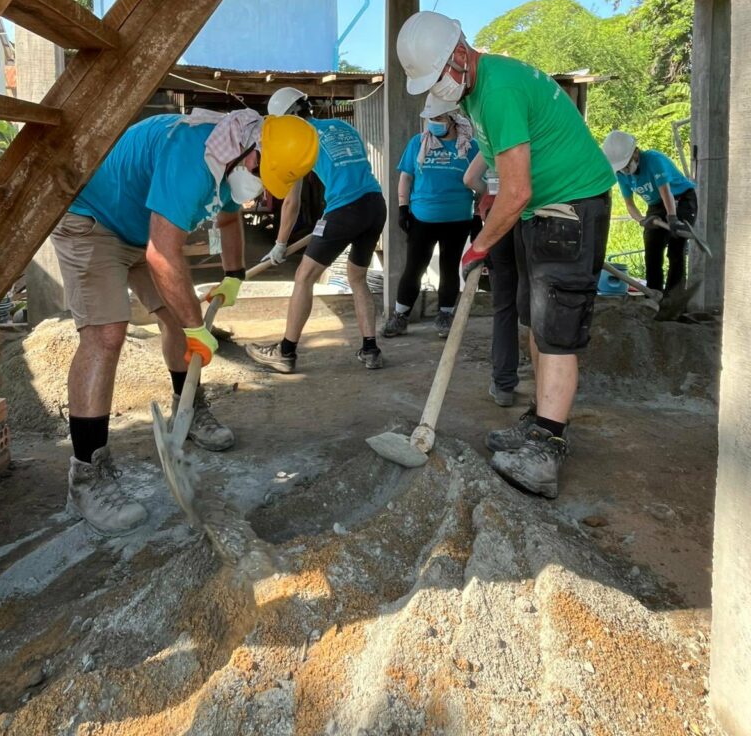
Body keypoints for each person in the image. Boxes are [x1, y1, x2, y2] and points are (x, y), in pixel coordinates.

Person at [51, 108, 315, 535]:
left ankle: (188, 411)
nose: (260, 185)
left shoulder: (234, 155)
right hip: (93, 222)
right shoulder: (195, 154)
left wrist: (234, 275)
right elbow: (161, 254)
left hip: (143, 230)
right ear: (253, 148)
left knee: (177, 317)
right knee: (107, 334)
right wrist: (198, 328)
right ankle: (86, 475)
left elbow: (228, 218)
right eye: (261, 173)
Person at [396, 10, 614, 499]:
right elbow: (507, 171)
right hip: (543, 209)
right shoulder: (478, 92)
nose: (439, 90)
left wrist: (479, 246)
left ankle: (546, 449)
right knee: (536, 322)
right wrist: (493, 195)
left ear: (459, 53)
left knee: (556, 333)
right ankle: (540, 422)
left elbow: (518, 191)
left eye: (438, 76)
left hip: (571, 206)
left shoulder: (499, 90)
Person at [246, 87, 387, 373]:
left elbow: (292, 202)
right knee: (357, 277)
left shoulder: (298, 141)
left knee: (304, 276)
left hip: (344, 209)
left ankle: (285, 352)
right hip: (375, 204)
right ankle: (370, 350)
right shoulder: (341, 127)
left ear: (286, 119)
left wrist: (280, 244)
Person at [382, 94, 479, 340]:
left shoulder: (471, 147)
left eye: (439, 118)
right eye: (431, 118)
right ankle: (400, 316)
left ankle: (445, 316)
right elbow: (406, 177)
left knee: (449, 268)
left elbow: (482, 183)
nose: (433, 123)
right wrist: (402, 208)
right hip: (422, 219)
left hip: (458, 220)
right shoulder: (418, 142)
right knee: (414, 268)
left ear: (453, 118)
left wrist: (478, 216)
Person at [602, 130, 697, 293]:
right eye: (621, 168)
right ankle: (653, 295)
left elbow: (665, 192)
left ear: (636, 153)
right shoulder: (621, 175)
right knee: (652, 249)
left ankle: (674, 297)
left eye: (626, 165)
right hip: (657, 204)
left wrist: (673, 219)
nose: (625, 170)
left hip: (681, 199)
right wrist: (642, 220)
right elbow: (630, 204)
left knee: (676, 250)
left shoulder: (654, 160)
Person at [463, 152, 521, 407]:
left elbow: (470, 178)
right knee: (538, 306)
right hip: (534, 221)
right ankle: (547, 391)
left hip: (499, 223)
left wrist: (488, 192)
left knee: (505, 307)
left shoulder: (492, 138)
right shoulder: (540, 138)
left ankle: (504, 384)